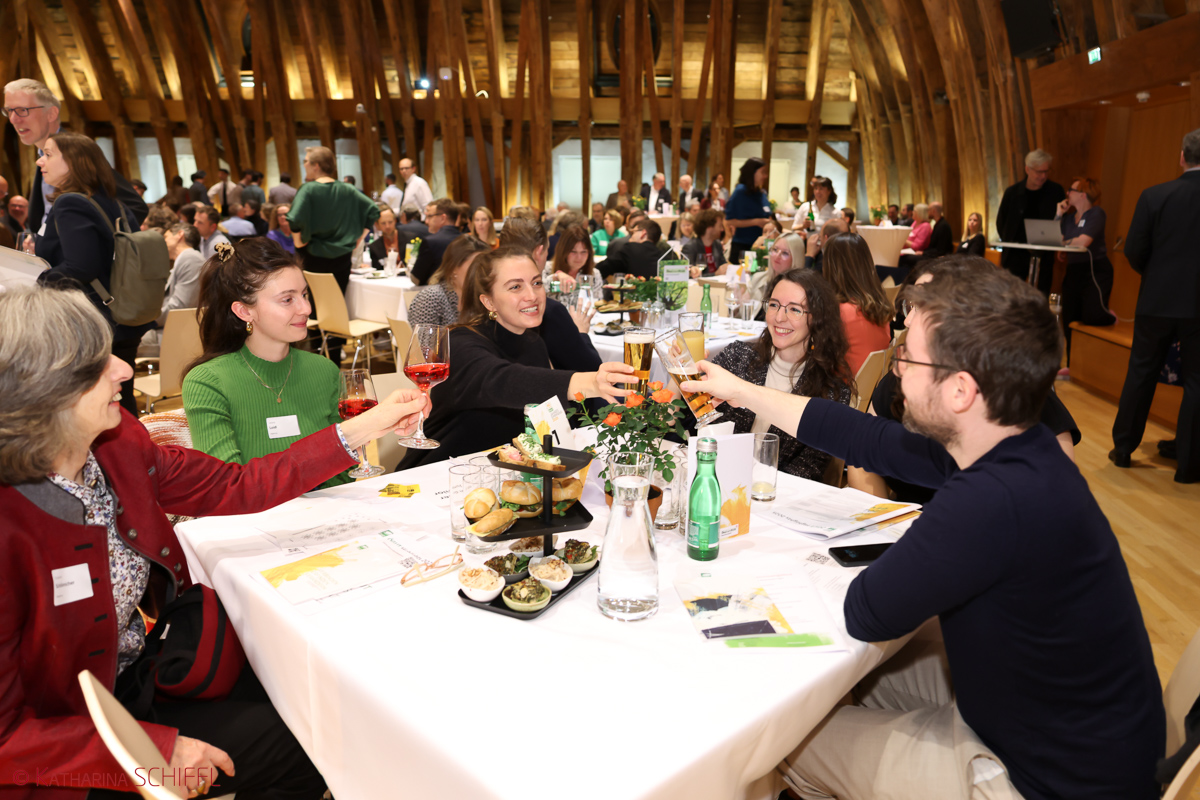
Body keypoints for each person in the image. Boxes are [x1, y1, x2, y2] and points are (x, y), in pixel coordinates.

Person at [683, 262, 1164, 800]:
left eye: (907, 356)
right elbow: (865, 438)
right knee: (844, 684)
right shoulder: (1015, 445)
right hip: (1067, 727)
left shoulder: (988, 499)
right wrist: (741, 391)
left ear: (959, 390)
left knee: (781, 736)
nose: (896, 373)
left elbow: (867, 610)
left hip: (1040, 780)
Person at [0, 284, 427, 800]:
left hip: (140, 678)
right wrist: (156, 753)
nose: (125, 369)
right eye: (97, 365)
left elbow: (238, 484)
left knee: (315, 703)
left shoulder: (116, 446)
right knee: (316, 745)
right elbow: (8, 738)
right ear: (42, 392)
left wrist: (365, 427)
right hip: (70, 750)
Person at [849, 258, 1082, 504]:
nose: (907, 321)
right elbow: (862, 457)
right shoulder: (905, 377)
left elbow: (1057, 496)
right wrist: (885, 516)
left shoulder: (1025, 395)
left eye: (925, 306)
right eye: (912, 305)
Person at [398, 246, 635, 468]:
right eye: (515, 287)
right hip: (437, 474)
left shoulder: (533, 342)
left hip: (503, 473)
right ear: (489, 301)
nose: (532, 295)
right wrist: (590, 382)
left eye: (537, 283)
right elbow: (504, 381)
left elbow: (541, 415)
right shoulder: (460, 343)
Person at [184, 238, 357, 492]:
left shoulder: (324, 370)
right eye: (287, 300)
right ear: (244, 311)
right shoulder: (208, 382)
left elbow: (344, 476)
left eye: (304, 294)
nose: (306, 308)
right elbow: (227, 488)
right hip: (255, 517)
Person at [33, 131, 152, 416]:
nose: (40, 162)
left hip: (95, 318)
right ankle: (135, 446)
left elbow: (82, 267)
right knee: (121, 400)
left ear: (74, 162)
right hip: (125, 313)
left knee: (97, 405)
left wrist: (36, 279)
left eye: (48, 154)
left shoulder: (70, 202)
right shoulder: (114, 201)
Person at [1110, 128, 1200, 484]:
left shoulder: (1154, 195)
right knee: (1197, 381)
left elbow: (1134, 250)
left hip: (1156, 300)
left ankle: (1123, 448)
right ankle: (1189, 465)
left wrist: (1157, 276)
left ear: (1182, 157)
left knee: (1141, 372)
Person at [709, 268, 852, 480]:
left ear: (817, 319)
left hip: (773, 493)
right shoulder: (737, 357)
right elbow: (693, 427)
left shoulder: (830, 392)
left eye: (794, 309)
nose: (779, 317)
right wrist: (683, 374)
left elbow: (806, 473)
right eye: (774, 305)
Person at [5, 78, 147, 234]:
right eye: (9, 111)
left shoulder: (75, 152)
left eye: (22, 110)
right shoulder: (41, 154)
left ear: (51, 113)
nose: (13, 119)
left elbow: (135, 207)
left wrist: (90, 240)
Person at [995, 148, 1067, 294]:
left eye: (1046, 171)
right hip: (1015, 254)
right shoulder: (1012, 193)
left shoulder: (1055, 191)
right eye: (1039, 172)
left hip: (1043, 254)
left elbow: (1062, 220)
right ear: (1027, 169)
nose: (1043, 176)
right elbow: (1001, 221)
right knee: (1012, 294)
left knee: (1040, 294)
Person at [1055, 176, 1114, 350]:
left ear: (1083, 194)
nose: (1067, 193)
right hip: (1074, 271)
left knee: (1091, 316)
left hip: (1095, 271)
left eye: (1071, 190)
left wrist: (1063, 243)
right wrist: (1058, 215)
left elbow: (1083, 242)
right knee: (1069, 320)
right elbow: (1052, 240)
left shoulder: (1096, 214)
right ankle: (1071, 362)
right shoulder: (1068, 218)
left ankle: (1108, 316)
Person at [821, 232, 893, 374]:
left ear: (831, 267)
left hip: (844, 384)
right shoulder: (878, 304)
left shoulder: (839, 312)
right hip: (871, 383)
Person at [407, 235, 491, 328]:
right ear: (454, 268)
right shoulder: (430, 298)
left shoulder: (484, 297)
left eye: (484, 267)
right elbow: (423, 336)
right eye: (474, 266)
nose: (481, 272)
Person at [724, 157, 772, 264]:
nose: (765, 176)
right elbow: (729, 221)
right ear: (752, 173)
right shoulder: (740, 191)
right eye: (763, 172)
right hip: (743, 245)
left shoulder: (760, 193)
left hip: (760, 245)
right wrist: (756, 222)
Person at [158, 222, 204, 323]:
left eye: (165, 237)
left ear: (180, 234)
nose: (163, 242)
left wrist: (147, 320)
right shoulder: (185, 258)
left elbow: (179, 308)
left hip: (179, 326)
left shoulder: (191, 258)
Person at [410, 198, 463, 285]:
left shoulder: (430, 242)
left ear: (443, 218)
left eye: (430, 216)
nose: (426, 221)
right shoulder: (469, 241)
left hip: (436, 292)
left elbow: (416, 279)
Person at [747, 232, 806, 302]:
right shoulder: (758, 279)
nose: (777, 256)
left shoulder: (800, 290)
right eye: (775, 250)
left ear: (796, 259)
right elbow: (744, 306)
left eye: (785, 253)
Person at [599, 218, 663, 281]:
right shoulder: (663, 256)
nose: (630, 237)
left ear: (643, 233)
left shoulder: (630, 249)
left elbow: (603, 268)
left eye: (633, 233)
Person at [546, 223, 597, 290]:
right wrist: (555, 277)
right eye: (573, 252)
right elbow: (537, 290)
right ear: (563, 251)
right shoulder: (546, 269)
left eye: (583, 252)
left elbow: (597, 296)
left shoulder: (594, 274)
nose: (579, 257)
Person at [683, 209, 728, 277]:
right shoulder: (690, 247)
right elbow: (689, 275)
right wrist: (715, 274)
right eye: (720, 226)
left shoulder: (717, 244)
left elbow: (723, 265)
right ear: (709, 227)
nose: (722, 229)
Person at [368, 205, 403, 270]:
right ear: (377, 225)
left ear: (395, 221)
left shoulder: (409, 239)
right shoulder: (374, 247)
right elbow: (377, 271)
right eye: (383, 223)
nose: (387, 226)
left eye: (390, 222)